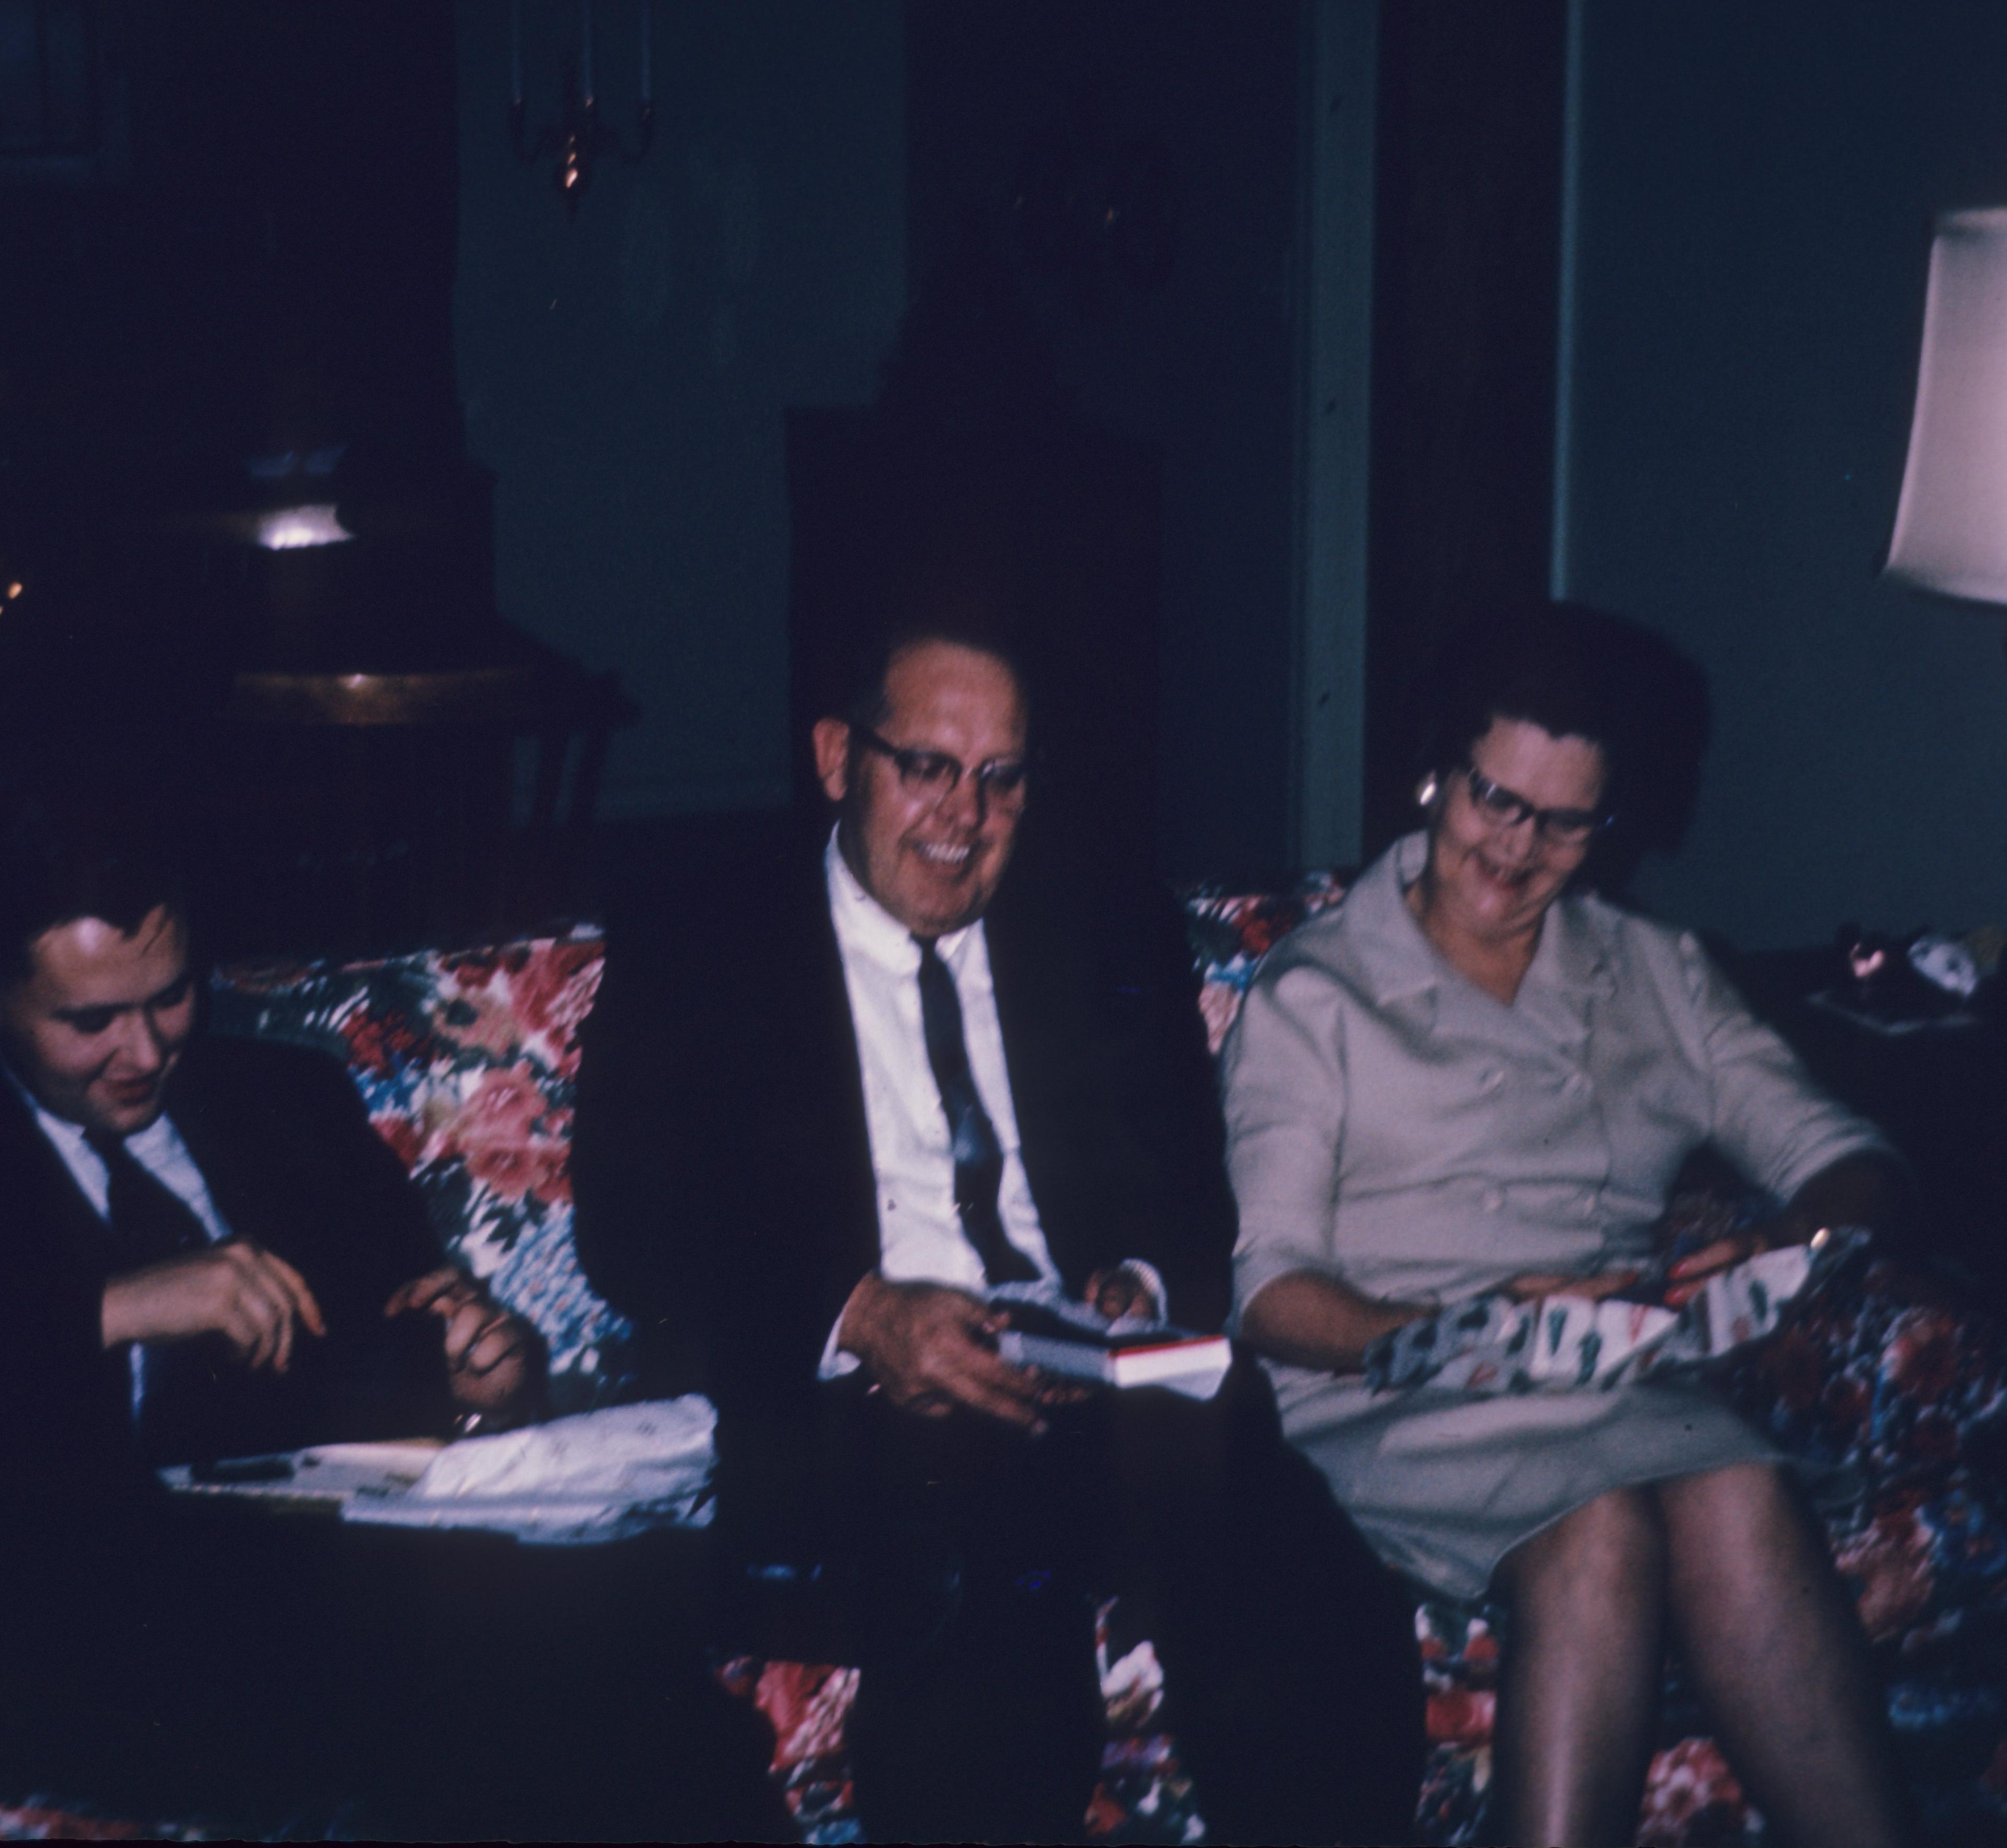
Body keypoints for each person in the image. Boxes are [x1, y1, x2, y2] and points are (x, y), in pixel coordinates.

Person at [571, 619, 1427, 1844]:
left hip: (1110, 1394)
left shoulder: (1101, 921)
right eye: (927, 765)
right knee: (986, 1646)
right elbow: (629, 1223)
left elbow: (1189, 1181)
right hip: (869, 1410)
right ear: (837, 756)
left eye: (1002, 776)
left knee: (1311, 1609)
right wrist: (863, 1313)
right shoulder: (705, 938)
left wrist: (1133, 1284)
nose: (964, 816)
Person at [1222, 601, 1915, 1848]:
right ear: (1437, 773)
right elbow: (1270, 1294)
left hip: (1615, 1381)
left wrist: (1787, 1246)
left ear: (1612, 825)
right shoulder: (1315, 991)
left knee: (1740, 1484)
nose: (1516, 847)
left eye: (1565, 820)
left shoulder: (1659, 970)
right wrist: (1471, 1325)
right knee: (1596, 1532)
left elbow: (1845, 1157)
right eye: (1494, 798)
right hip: (1393, 1388)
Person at [0, 808, 559, 1828]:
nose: (144, 1049)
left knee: (600, 1661)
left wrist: (488, 1371)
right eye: (91, 1020)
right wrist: (114, 1309)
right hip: (103, 1613)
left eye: (171, 997)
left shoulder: (289, 1097)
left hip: (364, 1566)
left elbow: (419, 1317)